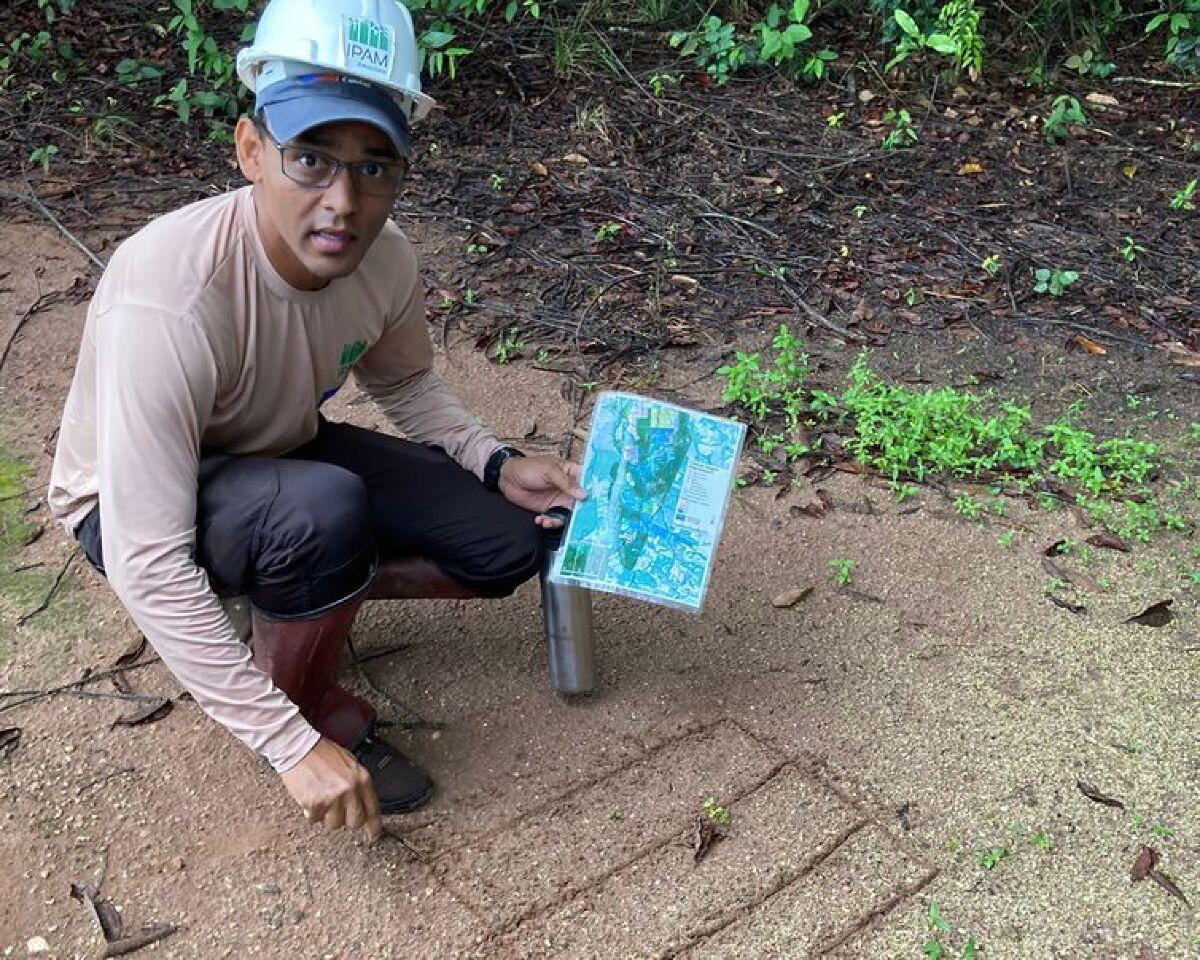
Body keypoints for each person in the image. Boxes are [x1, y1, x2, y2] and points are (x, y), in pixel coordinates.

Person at [47, 0, 584, 844]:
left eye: (375, 166)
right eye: (311, 159)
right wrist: (288, 744)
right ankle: (301, 690)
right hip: (126, 500)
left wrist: (493, 459)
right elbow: (148, 558)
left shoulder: (389, 257)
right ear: (251, 150)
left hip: (276, 445)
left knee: (505, 542)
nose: (343, 200)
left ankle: (288, 599)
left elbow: (404, 383)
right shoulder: (168, 294)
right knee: (318, 513)